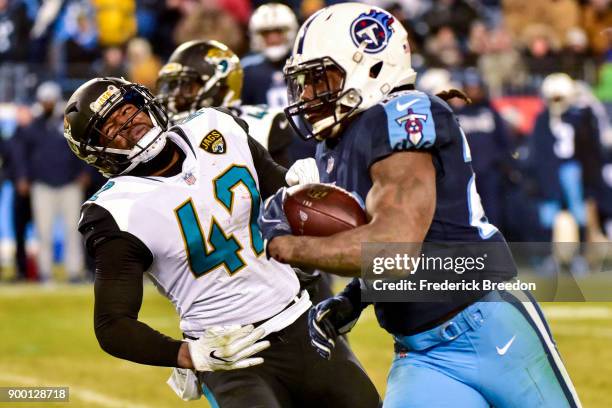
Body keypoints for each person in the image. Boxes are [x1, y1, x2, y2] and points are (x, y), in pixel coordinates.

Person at [259, 3, 581, 407]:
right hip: (420, 352)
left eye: (321, 78)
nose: (307, 94)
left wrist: (283, 245)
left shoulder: (404, 113)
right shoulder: (335, 144)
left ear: (371, 66)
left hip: (488, 324)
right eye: (303, 82)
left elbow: (395, 248)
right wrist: (356, 297)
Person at [64, 77, 379, 407]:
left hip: (300, 320)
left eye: (127, 110)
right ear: (99, 152)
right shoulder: (116, 211)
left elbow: (278, 195)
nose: (129, 124)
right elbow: (112, 324)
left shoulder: (215, 127)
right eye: (111, 127)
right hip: (231, 355)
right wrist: (189, 354)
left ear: (146, 102)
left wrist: (301, 189)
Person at [156, 40, 293, 167]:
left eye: (187, 87)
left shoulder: (261, 125)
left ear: (220, 89)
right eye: (172, 87)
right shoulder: (166, 135)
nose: (175, 97)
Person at [13, 81, 89, 283]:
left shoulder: (70, 122)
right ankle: (44, 273)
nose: (47, 104)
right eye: (44, 101)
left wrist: (83, 171)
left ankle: (74, 272)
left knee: (73, 231)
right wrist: (24, 177)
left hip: (69, 183)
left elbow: (82, 147)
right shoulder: (32, 127)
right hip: (42, 185)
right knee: (43, 231)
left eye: (50, 100)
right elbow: (22, 154)